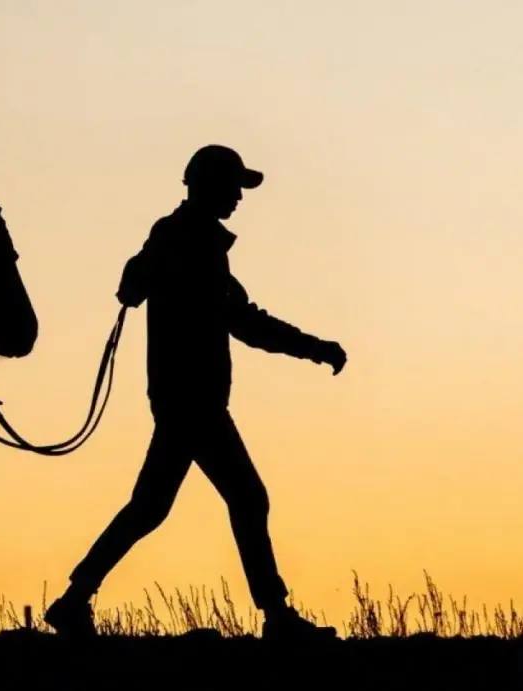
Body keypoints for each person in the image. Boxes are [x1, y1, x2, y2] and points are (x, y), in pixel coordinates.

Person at [44, 145, 347, 639]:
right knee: (247, 498)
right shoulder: (189, 241)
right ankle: (277, 616)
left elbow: (148, 291)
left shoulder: (184, 238)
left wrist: (310, 347)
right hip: (193, 399)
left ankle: (73, 599)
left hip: (181, 396)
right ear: (208, 186)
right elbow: (242, 321)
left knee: (150, 506)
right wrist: (314, 348)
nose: (239, 199)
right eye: (234, 187)